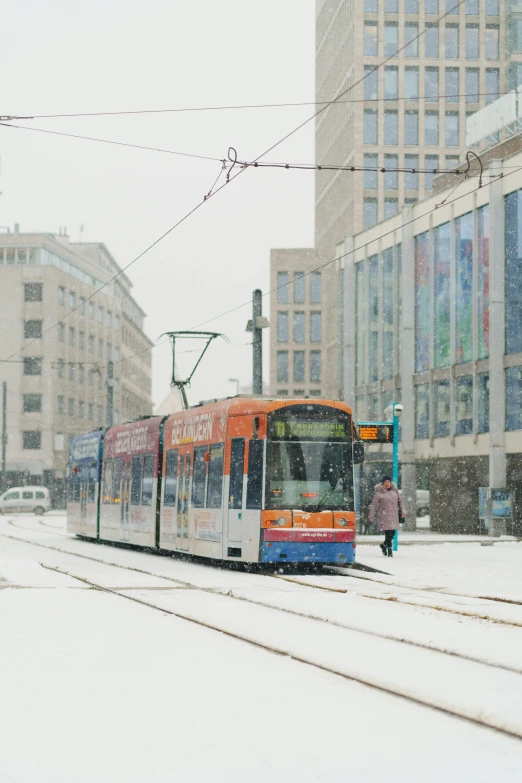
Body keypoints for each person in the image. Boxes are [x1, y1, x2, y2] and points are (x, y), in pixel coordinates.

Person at [368, 475, 406, 557]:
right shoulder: (378, 492)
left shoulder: (395, 491)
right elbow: (374, 504)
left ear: (390, 482)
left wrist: (403, 511)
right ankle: (390, 551)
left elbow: (401, 502)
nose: (387, 483)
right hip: (384, 515)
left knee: (392, 533)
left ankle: (383, 545)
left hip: (394, 515)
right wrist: (371, 515)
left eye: (388, 482)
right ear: (382, 483)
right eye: (385, 482)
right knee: (388, 533)